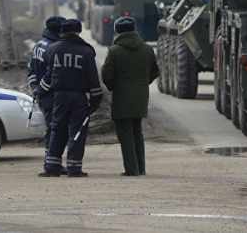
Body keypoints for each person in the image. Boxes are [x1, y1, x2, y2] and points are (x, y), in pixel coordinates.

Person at [38, 19, 103, 177]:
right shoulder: (87, 52)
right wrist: (94, 102)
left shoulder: (52, 50)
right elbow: (93, 79)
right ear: (79, 31)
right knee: (77, 131)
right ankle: (74, 168)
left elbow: (48, 76)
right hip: (79, 98)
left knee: (56, 129)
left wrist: (40, 91)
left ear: (62, 31)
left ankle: (52, 167)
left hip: (59, 97)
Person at [101, 17, 159, 176]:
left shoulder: (114, 51)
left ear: (117, 31)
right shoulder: (147, 49)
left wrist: (113, 86)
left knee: (125, 133)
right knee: (137, 132)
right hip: (141, 96)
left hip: (121, 96)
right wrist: (143, 83)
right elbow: (155, 71)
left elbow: (107, 75)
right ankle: (141, 167)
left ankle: (131, 169)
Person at [27, 16, 67, 173]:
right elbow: (52, 75)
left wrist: (35, 88)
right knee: (55, 129)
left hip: (43, 95)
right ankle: (51, 163)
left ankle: (52, 161)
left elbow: (31, 69)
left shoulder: (39, 44)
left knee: (52, 128)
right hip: (51, 95)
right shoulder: (53, 48)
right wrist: (42, 89)